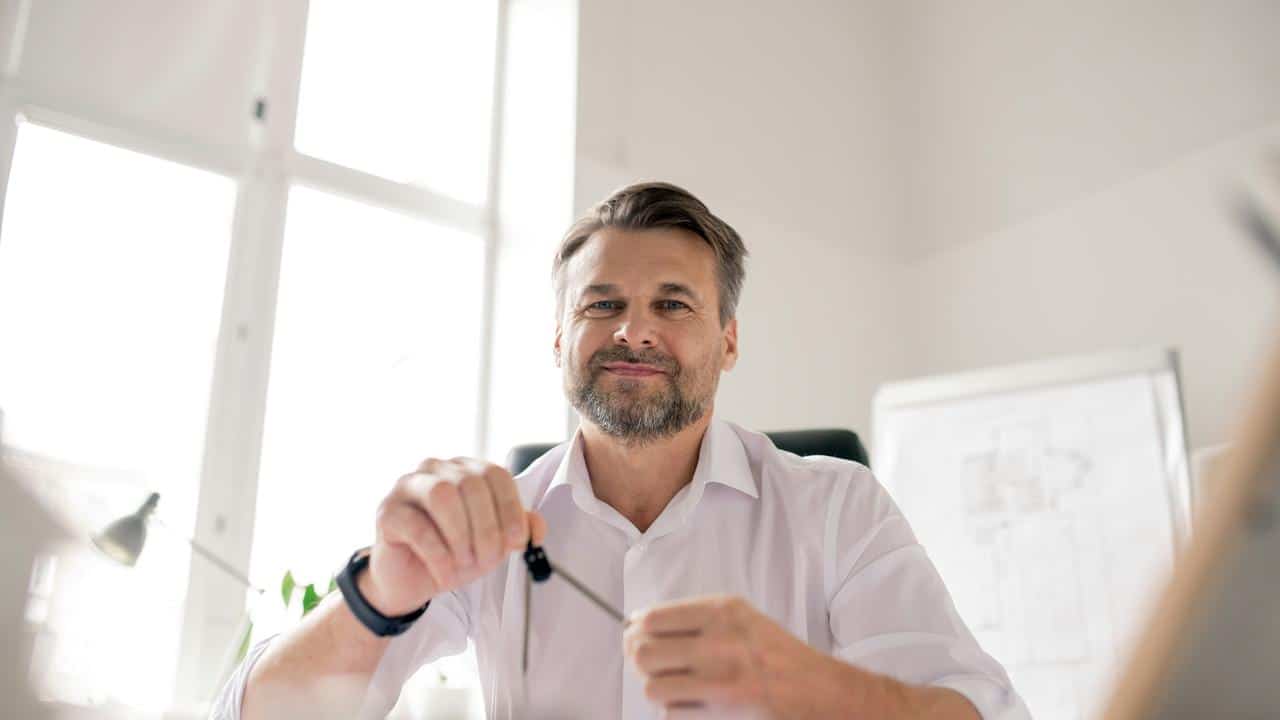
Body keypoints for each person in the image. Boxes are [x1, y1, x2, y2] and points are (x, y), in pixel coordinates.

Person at [214, 182, 1029, 719]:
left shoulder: (839, 508)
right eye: (603, 304)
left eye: (672, 303)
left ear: (729, 340)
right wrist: (382, 593)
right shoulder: (489, 526)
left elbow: (985, 711)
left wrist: (811, 684)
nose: (634, 329)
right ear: (561, 336)